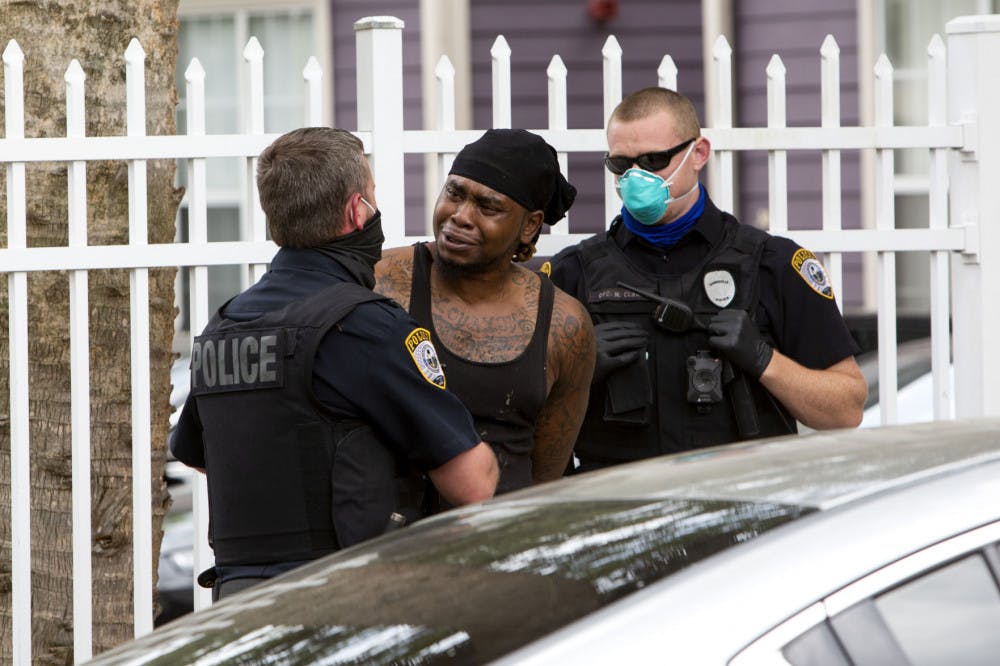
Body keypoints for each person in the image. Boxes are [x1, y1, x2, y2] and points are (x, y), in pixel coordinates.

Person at [170, 127, 498, 600]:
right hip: (342, 597)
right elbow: (473, 483)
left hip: (240, 604)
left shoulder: (224, 325)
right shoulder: (366, 326)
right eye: (373, 196)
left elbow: (199, 453)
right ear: (356, 211)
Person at [546, 87, 867, 472]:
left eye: (653, 161)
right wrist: (575, 372)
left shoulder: (772, 265)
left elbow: (846, 410)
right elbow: (518, 415)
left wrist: (765, 360)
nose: (635, 178)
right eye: (621, 165)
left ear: (698, 153)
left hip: (741, 496)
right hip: (621, 499)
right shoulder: (574, 273)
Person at [374, 128, 596, 497]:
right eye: (454, 193)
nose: (460, 216)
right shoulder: (380, 281)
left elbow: (544, 477)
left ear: (530, 225)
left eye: (487, 206)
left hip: (504, 527)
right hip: (399, 527)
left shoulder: (564, 324)